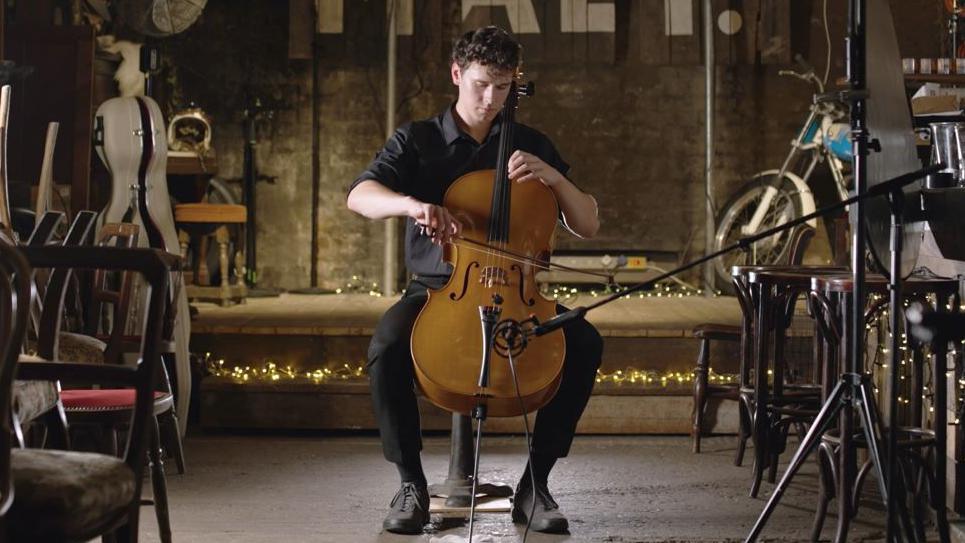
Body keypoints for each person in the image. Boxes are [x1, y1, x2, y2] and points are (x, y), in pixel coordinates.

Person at [346, 25, 603, 535]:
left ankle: (536, 485)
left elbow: (588, 221)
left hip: (518, 291)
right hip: (437, 290)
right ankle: (411, 484)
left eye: (504, 87)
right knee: (387, 344)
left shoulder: (531, 145)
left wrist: (553, 177)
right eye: (483, 84)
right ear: (458, 74)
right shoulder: (417, 140)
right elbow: (360, 195)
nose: (492, 99)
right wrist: (410, 203)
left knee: (584, 342)